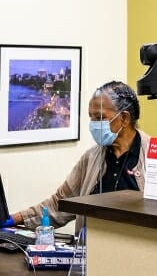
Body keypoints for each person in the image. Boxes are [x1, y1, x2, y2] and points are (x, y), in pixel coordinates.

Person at [10, 80, 149, 232]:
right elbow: (59, 204)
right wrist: (14, 218)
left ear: (124, 118)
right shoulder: (91, 158)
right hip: (92, 249)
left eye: (99, 117)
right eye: (91, 117)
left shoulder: (154, 156)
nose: (93, 124)